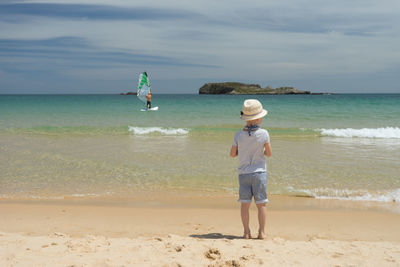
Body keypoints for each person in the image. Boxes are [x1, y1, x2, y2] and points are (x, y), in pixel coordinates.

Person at [230, 99, 272, 240]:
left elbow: (232, 154)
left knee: (245, 205)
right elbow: (269, 153)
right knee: (262, 204)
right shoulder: (264, 133)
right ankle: (262, 232)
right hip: (259, 173)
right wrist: (262, 152)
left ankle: (246, 232)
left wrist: (240, 152)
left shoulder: (238, 134)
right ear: (259, 118)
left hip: (244, 174)